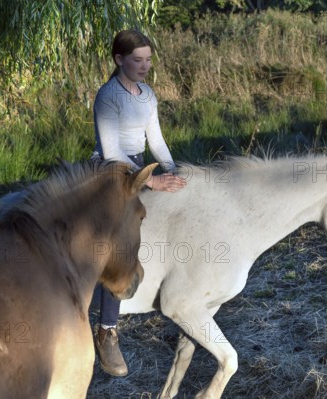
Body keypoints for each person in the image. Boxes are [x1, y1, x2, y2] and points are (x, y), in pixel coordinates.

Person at [92, 29, 186, 377]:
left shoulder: (147, 94)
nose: (145, 66)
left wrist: (174, 171)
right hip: (111, 169)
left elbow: (156, 141)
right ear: (119, 59)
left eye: (148, 59)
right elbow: (113, 152)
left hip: (139, 166)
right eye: (138, 60)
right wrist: (152, 179)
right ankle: (106, 331)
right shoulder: (107, 96)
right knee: (119, 243)